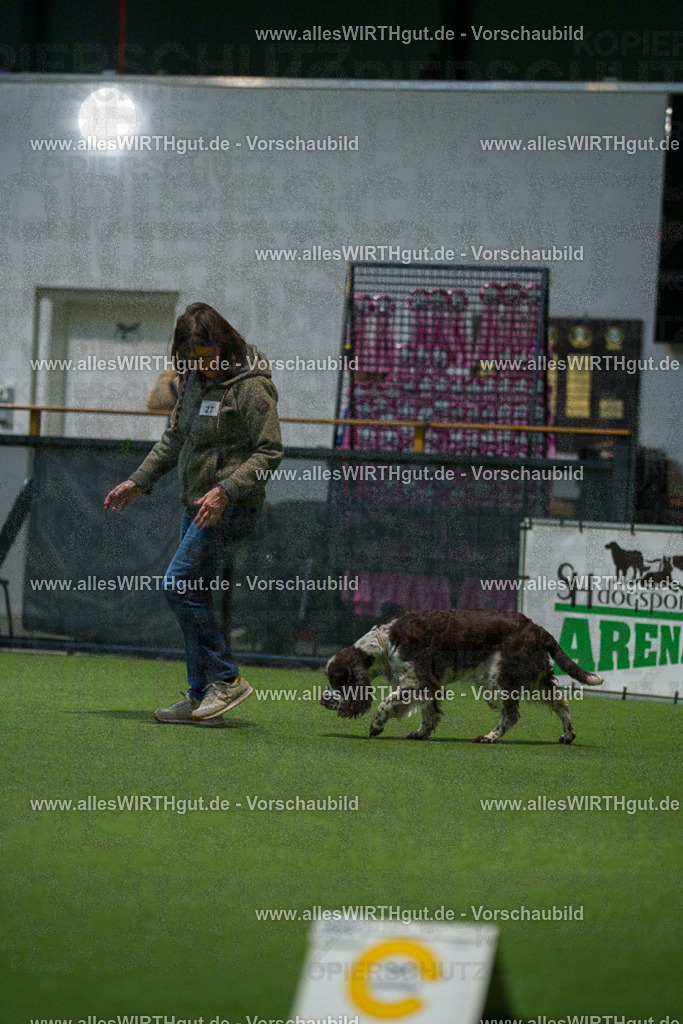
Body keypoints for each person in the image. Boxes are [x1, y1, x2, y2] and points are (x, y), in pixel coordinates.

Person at [104, 302, 284, 727]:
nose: (201, 365)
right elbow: (173, 440)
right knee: (192, 596)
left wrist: (225, 489)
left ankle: (227, 678)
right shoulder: (192, 383)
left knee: (177, 585)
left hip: (231, 507)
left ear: (224, 344)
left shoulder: (252, 386)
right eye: (191, 358)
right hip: (195, 504)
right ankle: (203, 697)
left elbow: (270, 451)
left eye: (206, 356)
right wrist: (138, 480)